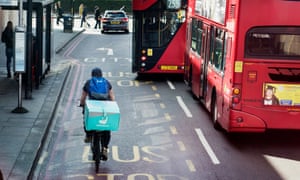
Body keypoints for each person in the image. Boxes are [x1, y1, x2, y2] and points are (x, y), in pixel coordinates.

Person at [80, 67, 115, 160]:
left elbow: (83, 97)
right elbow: (111, 96)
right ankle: (104, 147)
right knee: (107, 127)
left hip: (93, 107)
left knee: (86, 117)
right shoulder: (106, 82)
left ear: (92, 74)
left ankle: (88, 135)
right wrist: (112, 105)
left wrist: (82, 104)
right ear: (101, 74)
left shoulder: (89, 82)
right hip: (104, 107)